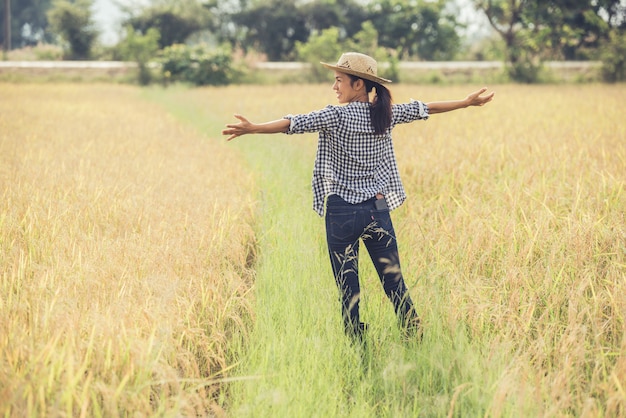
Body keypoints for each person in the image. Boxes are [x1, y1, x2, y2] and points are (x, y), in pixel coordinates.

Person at [223, 52, 494, 342]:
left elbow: (294, 123)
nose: (334, 87)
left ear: (358, 85)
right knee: (394, 282)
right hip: (378, 207)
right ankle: (413, 334)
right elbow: (426, 108)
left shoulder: (336, 115)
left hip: (341, 212)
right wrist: (466, 102)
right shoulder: (386, 113)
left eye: (339, 81)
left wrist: (254, 128)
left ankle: (358, 346)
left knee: (348, 289)